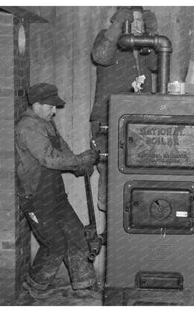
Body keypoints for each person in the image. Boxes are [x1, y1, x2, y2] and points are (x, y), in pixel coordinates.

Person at [15, 83, 100, 299]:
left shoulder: (46, 123)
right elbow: (49, 158)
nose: (55, 111)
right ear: (36, 104)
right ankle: (34, 287)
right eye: (51, 106)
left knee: (77, 234)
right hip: (36, 198)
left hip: (56, 196)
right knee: (55, 244)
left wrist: (78, 165)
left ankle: (84, 283)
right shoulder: (27, 127)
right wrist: (79, 160)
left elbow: (62, 149)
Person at [90, 6, 158, 212]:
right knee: (110, 171)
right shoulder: (107, 38)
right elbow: (100, 56)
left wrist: (153, 33)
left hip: (138, 122)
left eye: (140, 21)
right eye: (133, 21)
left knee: (137, 172)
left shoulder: (144, 45)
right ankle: (110, 230)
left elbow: (157, 65)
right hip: (108, 120)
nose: (137, 26)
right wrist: (117, 25)